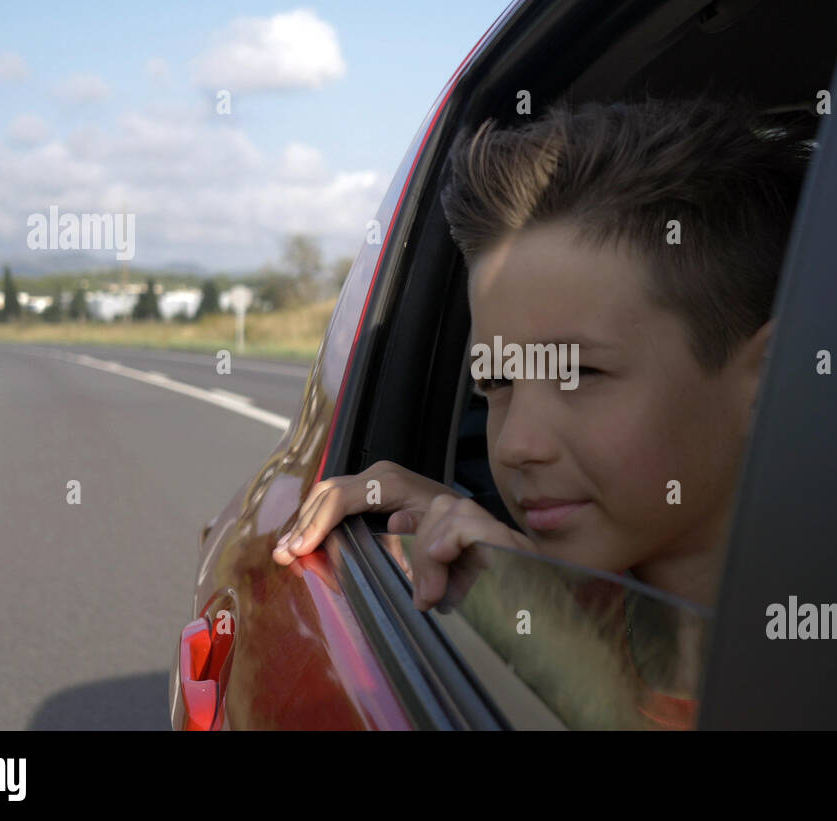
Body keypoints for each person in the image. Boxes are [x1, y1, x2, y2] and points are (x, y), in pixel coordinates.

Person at [272, 93, 809, 721]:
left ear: (772, 379)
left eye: (579, 372)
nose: (514, 445)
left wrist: (564, 659)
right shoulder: (552, 590)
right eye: (495, 380)